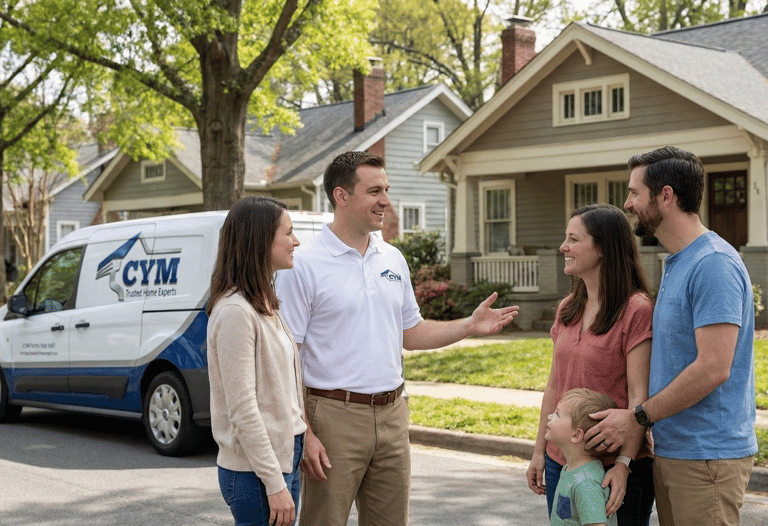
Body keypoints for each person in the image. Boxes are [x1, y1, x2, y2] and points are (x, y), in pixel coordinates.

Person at [274, 151, 519, 526]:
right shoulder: (303, 264)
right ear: (341, 196)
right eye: (374, 191)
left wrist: (469, 325)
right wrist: (305, 433)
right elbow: (288, 356)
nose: (386, 200)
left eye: (386, 189)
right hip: (332, 418)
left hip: (392, 414)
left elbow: (411, 332)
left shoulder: (393, 259)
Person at [585, 146, 757, 526]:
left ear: (666, 196)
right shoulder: (680, 261)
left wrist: (639, 417)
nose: (627, 203)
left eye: (634, 192)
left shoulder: (712, 264)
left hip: (707, 456)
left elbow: (713, 368)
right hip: (677, 450)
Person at [526, 203, 655, 526]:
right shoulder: (567, 308)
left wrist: (623, 465)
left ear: (602, 248)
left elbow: (640, 395)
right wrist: (540, 450)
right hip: (563, 461)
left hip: (612, 467)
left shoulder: (636, 310)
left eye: (573, 239)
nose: (563, 247)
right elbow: (555, 385)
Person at [207, 197, 306, 526]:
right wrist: (275, 483)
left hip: (284, 457)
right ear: (261, 240)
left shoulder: (266, 304)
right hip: (255, 472)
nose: (296, 241)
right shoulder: (236, 312)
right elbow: (243, 408)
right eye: (288, 233)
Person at [547, 388, 620, 526]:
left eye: (557, 414)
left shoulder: (586, 483)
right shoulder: (572, 469)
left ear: (576, 435)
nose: (549, 417)